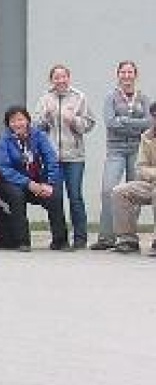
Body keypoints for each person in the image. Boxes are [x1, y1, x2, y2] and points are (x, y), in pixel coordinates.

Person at [33, 64, 95, 249]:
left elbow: (89, 124)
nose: (60, 80)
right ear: (51, 80)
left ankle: (80, 238)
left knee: (75, 196)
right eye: (56, 77)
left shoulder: (79, 97)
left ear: (69, 77)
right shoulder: (45, 98)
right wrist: (45, 117)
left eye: (63, 76)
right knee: (55, 197)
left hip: (74, 156)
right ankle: (59, 239)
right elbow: (36, 126)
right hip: (52, 158)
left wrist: (73, 120)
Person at [93, 61, 153, 250]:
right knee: (108, 190)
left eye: (130, 72)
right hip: (116, 149)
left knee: (132, 193)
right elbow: (111, 123)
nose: (127, 75)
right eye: (123, 72)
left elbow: (149, 123)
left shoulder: (143, 98)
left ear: (135, 75)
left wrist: (124, 121)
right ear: (118, 75)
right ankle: (106, 238)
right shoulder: (110, 97)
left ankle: (128, 238)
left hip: (138, 148)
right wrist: (136, 122)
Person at [0, 104, 68, 251]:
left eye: (20, 119)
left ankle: (60, 240)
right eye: (13, 121)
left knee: (55, 196)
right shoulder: (5, 140)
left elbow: (51, 160)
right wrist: (27, 183)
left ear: (28, 120)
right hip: (13, 182)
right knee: (17, 196)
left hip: (37, 181)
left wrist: (49, 183)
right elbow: (5, 168)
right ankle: (23, 241)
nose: (17, 124)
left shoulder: (38, 136)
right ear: (8, 124)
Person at [110, 101, 156, 255]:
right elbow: (141, 166)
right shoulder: (147, 137)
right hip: (151, 182)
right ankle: (128, 239)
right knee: (120, 191)